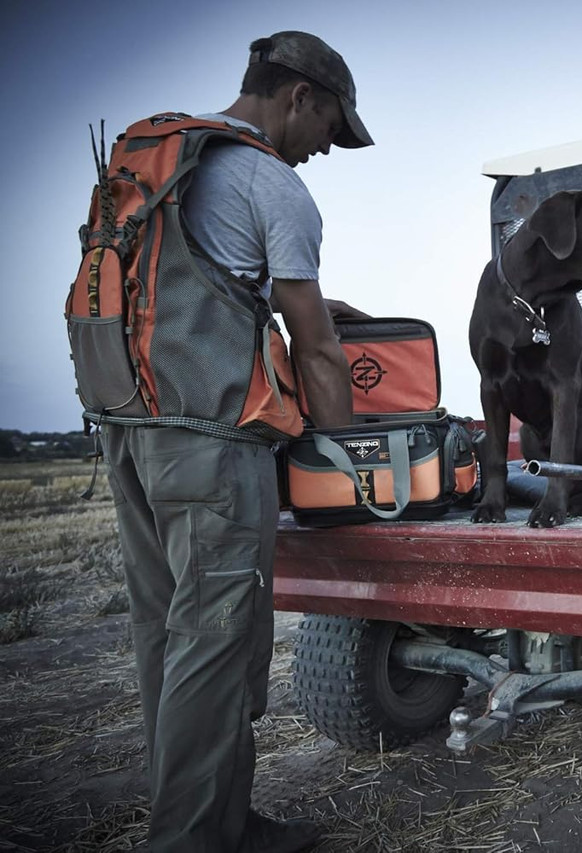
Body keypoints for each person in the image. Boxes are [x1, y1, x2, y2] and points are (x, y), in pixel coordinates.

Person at [101, 31, 372, 853]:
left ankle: (223, 821)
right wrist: (349, 466)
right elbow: (319, 351)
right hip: (212, 443)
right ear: (300, 97)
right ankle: (189, 840)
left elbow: (203, 286)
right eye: (331, 125)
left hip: (132, 431)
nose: (327, 145)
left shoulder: (165, 162)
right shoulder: (272, 183)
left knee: (172, 640)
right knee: (217, 647)